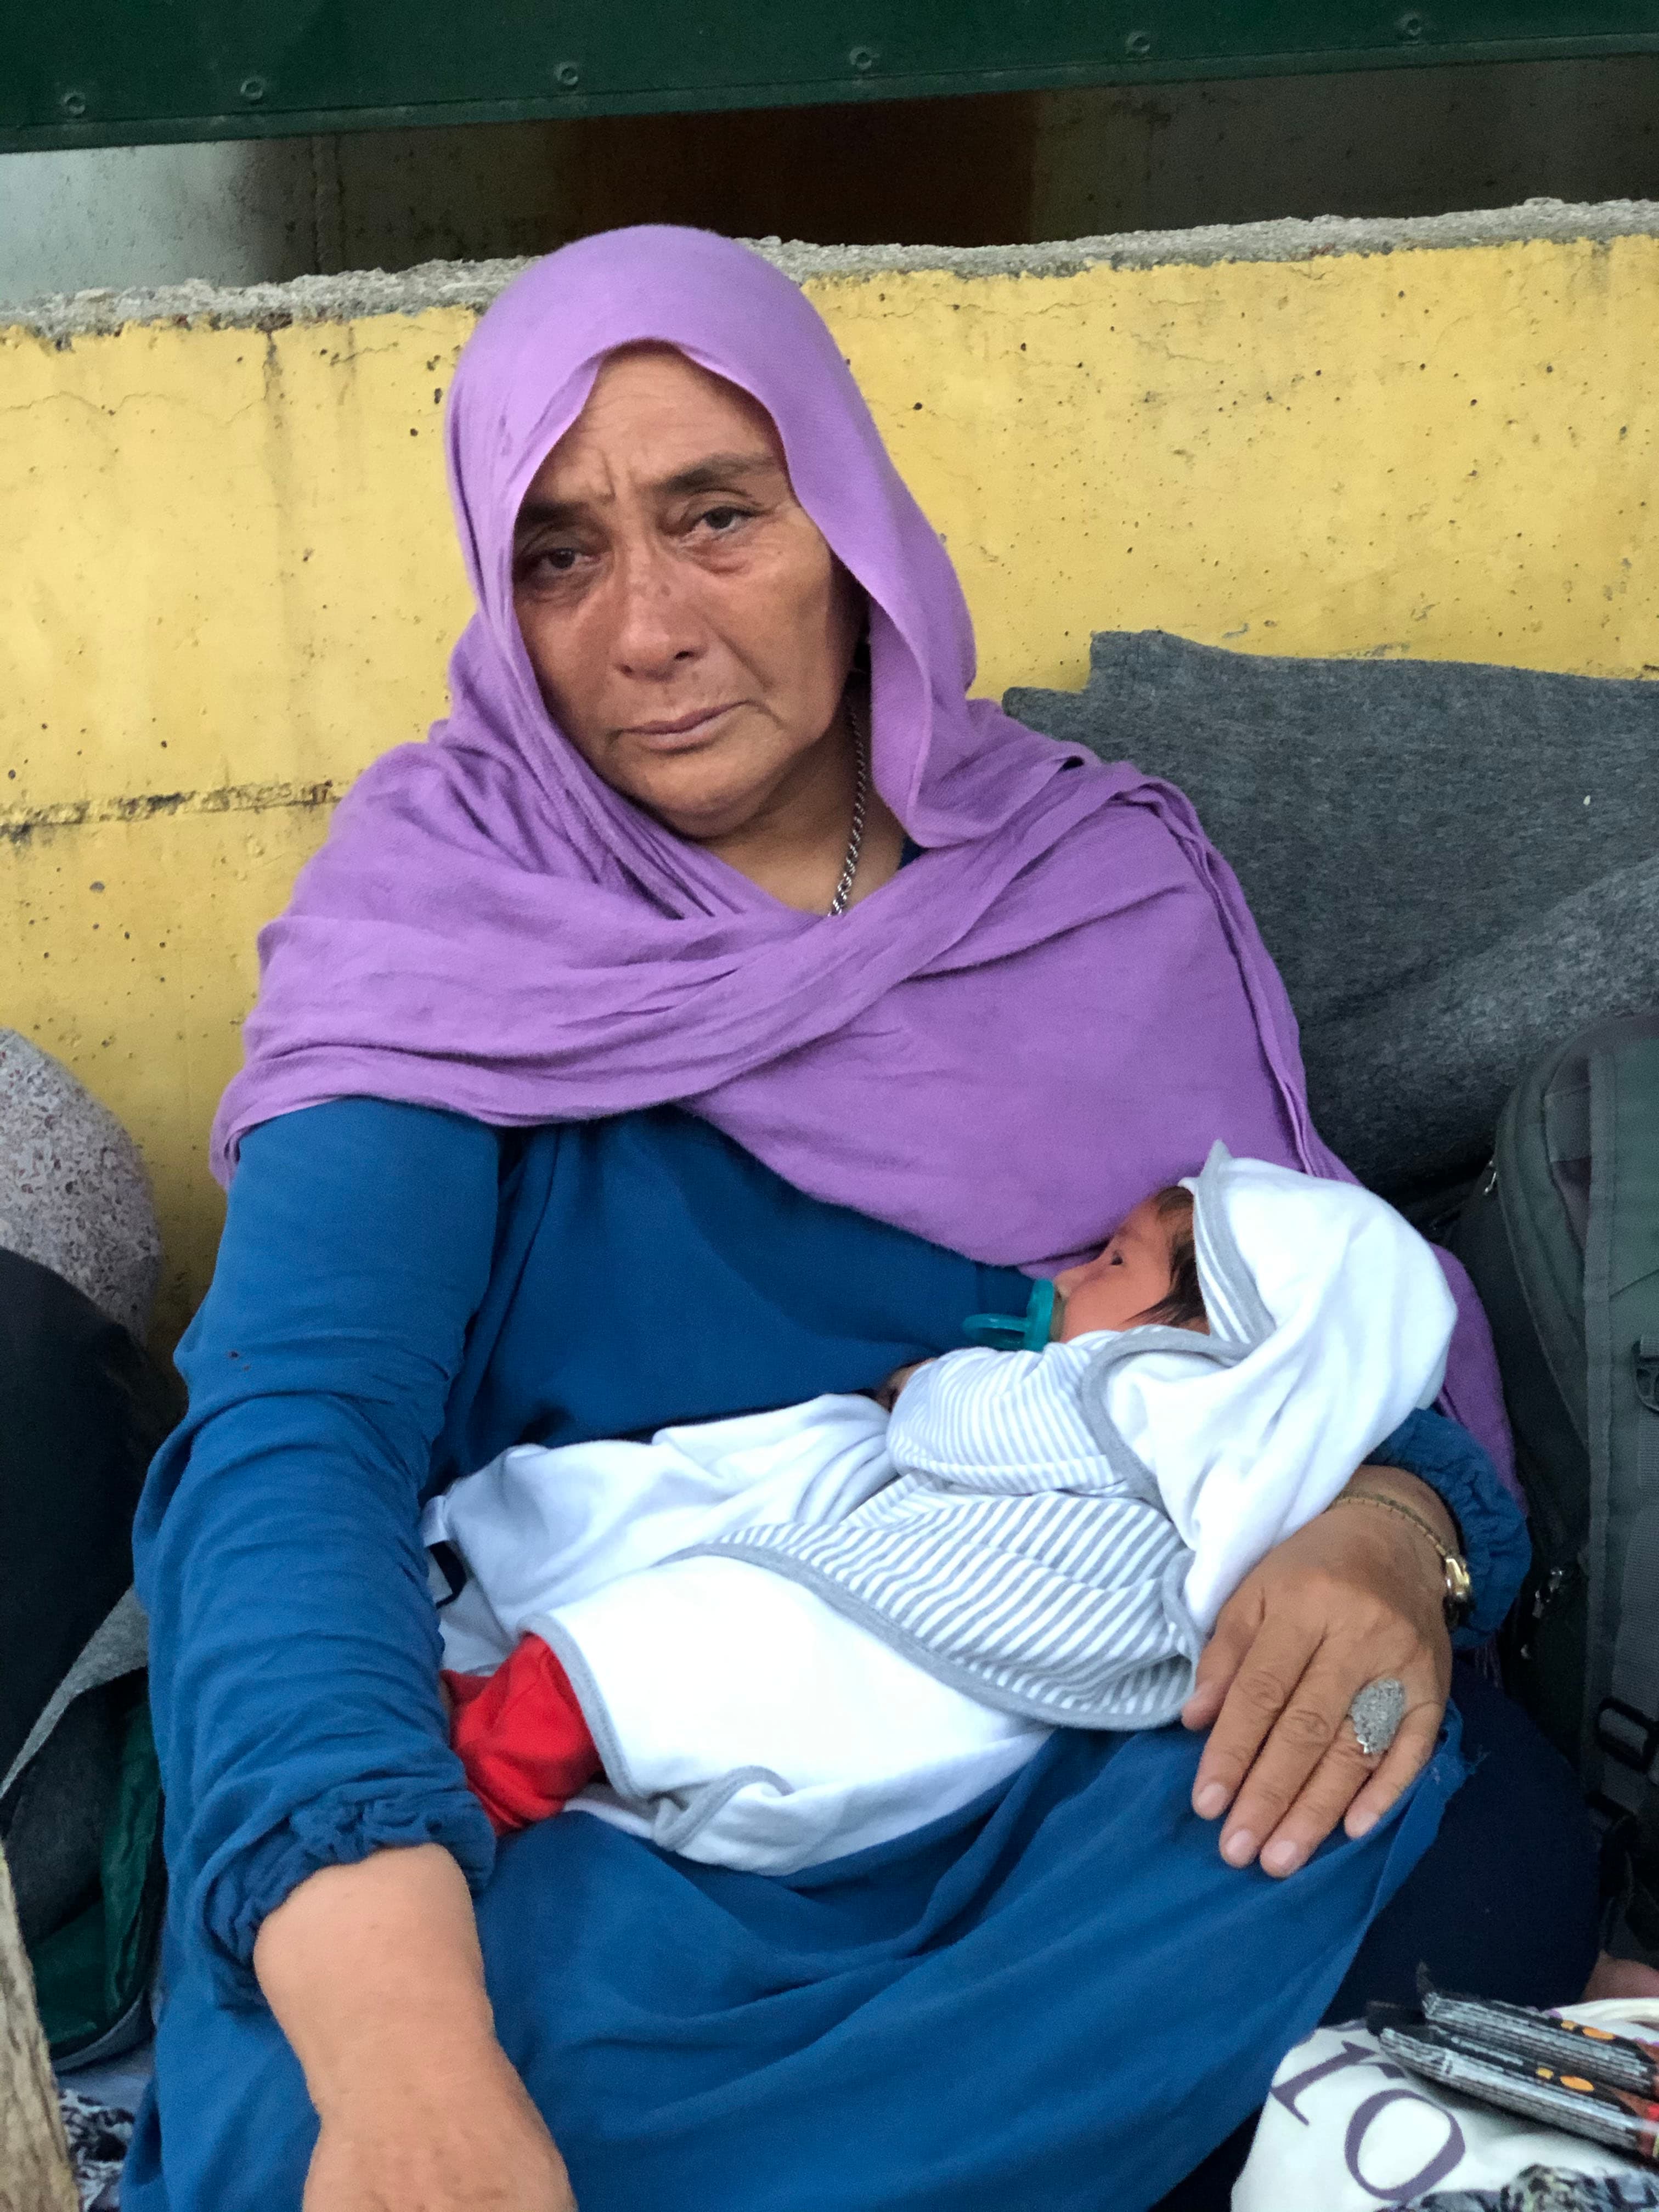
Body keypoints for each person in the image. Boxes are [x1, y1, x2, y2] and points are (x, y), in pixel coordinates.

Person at [125, 227, 1598, 2212]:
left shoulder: (1095, 886)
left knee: (1417, 1847)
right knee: (369, 2117)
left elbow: (1323, 1307)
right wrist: (408, 2041)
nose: (643, 627)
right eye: (558, 551)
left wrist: (1385, 1527)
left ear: (853, 529)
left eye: (715, 515)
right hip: (614, 1788)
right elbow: (291, 1451)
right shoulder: (449, 927)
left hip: (1071, 1730)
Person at [435, 1149, 1476, 1872]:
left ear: (1221, 1333)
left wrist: (933, 1377)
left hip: (909, 1626)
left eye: (1116, 1262)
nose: (1070, 1276)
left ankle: (476, 1774)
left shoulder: (1131, 1395)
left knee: (669, 1643)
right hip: (972, 1716)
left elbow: (950, 1433)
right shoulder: (1255, 1490)